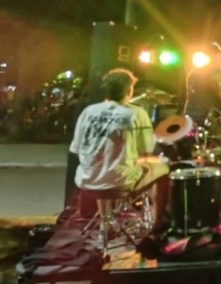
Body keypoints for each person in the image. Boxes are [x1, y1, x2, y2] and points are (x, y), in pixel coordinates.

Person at [69, 68, 170, 229]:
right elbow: (145, 152)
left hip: (87, 180)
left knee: (103, 164)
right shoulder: (137, 113)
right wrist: (161, 160)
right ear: (129, 90)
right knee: (163, 171)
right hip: (120, 182)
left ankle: (105, 223)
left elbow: (77, 148)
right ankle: (157, 225)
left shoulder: (88, 112)